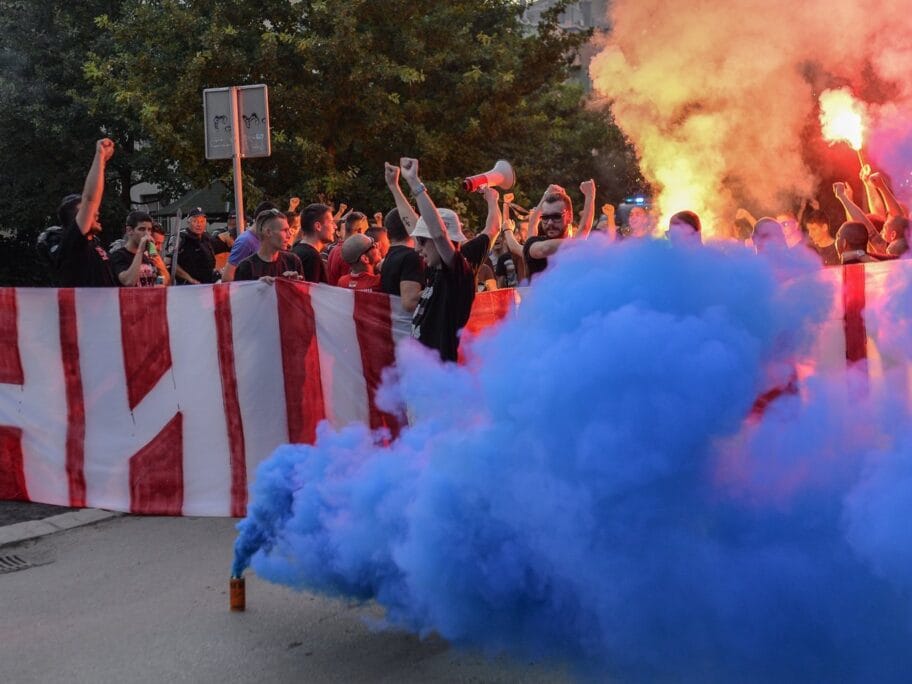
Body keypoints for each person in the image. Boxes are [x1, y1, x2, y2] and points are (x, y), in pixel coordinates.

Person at [400, 157, 475, 362]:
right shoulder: (435, 269)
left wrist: (414, 182)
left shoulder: (458, 274)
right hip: (422, 372)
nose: (417, 248)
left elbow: (438, 234)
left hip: (439, 375)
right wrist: (395, 187)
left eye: (422, 241)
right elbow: (414, 223)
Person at [56, 138, 117, 287]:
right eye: (89, 212)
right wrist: (100, 157)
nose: (96, 213)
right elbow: (90, 199)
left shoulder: (94, 244)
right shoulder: (73, 243)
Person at [523, 181, 596, 282]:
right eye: (545, 217)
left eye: (556, 216)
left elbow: (584, 230)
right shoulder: (532, 243)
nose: (550, 223)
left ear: (569, 217)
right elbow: (545, 248)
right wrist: (590, 196)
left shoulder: (575, 248)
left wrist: (590, 196)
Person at [379, 208, 425, 341]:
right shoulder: (412, 257)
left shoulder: (390, 255)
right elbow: (409, 302)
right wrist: (438, 286)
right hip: (409, 333)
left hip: (395, 330)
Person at [234, 210, 304, 282]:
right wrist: (257, 285)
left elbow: (304, 288)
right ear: (268, 232)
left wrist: (294, 284)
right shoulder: (246, 267)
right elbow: (239, 289)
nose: (289, 235)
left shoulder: (293, 261)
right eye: (284, 230)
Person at [109, 211, 170, 287]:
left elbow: (159, 277)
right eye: (142, 229)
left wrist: (158, 284)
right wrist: (140, 250)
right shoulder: (119, 255)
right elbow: (128, 281)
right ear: (129, 230)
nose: (147, 234)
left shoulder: (146, 257)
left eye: (149, 230)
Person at [222, 200, 277, 282]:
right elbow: (227, 278)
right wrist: (256, 284)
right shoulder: (245, 242)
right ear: (263, 221)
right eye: (274, 224)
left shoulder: (263, 239)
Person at [174, 207, 229, 285]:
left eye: (202, 221)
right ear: (188, 222)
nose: (199, 224)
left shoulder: (206, 237)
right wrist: (189, 279)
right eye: (195, 221)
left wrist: (216, 271)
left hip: (207, 283)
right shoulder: (180, 238)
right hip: (187, 285)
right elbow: (170, 263)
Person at [292, 203, 335, 283]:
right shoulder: (312, 257)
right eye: (331, 222)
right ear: (318, 226)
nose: (335, 227)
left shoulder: (296, 249)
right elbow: (312, 289)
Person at [327, 211, 369, 285]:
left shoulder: (335, 249)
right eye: (366, 231)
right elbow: (351, 284)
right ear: (360, 230)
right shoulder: (350, 253)